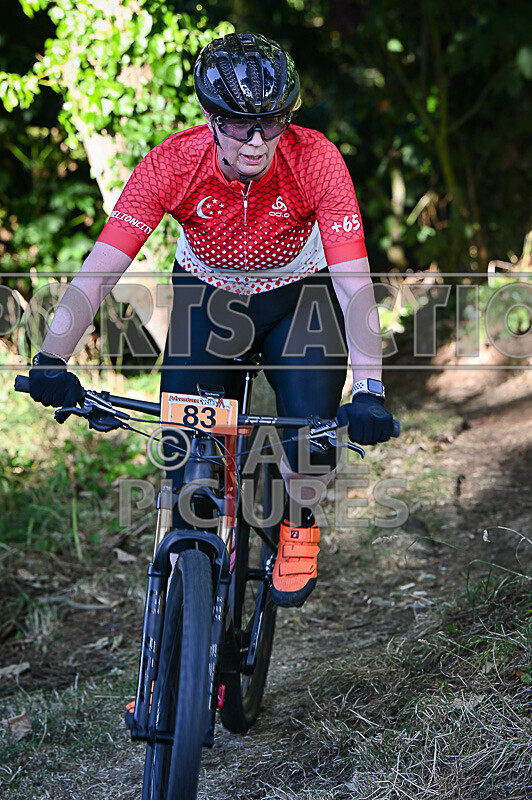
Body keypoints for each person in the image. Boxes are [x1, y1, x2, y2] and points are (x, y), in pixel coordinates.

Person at [28, 32, 394, 608]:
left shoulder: (316, 158)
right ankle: (174, 672)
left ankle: (296, 522)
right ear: (209, 116)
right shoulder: (174, 162)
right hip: (209, 302)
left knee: (310, 440)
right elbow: (100, 268)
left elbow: (354, 283)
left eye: (271, 123)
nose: (255, 140)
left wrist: (370, 386)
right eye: (237, 123)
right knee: (191, 476)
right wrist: (51, 358)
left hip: (298, 301)